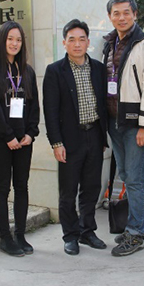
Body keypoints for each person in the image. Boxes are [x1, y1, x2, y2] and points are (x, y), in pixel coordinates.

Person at [102, 0, 144, 257]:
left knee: (136, 178)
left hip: (136, 123)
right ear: (110, 17)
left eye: (126, 12)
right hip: (114, 121)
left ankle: (136, 232)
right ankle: (142, 222)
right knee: (127, 175)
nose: (121, 17)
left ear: (135, 14)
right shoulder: (110, 43)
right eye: (116, 13)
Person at [43, 19, 108, 255]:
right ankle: (70, 235)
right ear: (64, 43)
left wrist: (103, 138)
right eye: (72, 39)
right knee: (68, 190)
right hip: (70, 140)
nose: (77, 44)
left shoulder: (98, 69)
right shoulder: (55, 71)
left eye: (82, 39)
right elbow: (50, 110)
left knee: (91, 188)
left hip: (95, 135)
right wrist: (56, 142)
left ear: (88, 42)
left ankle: (87, 231)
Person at [0, 21, 39, 257]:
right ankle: (5, 238)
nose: (14, 44)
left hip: (23, 139)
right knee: (3, 186)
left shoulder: (27, 71)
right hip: (0, 138)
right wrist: (7, 135)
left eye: (18, 40)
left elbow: (34, 105)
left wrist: (30, 133)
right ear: (2, 40)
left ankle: (20, 235)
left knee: (22, 186)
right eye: (10, 39)